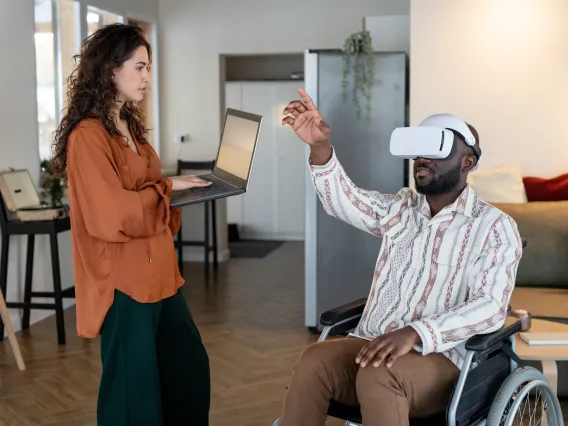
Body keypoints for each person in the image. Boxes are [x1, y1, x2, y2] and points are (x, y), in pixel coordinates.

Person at [278, 89, 523, 426]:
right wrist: (319, 147)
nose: (423, 158)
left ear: (468, 162)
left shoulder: (494, 227)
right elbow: (343, 201)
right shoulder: (400, 209)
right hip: (372, 345)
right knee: (313, 360)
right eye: (419, 149)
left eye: (437, 149)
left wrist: (415, 333)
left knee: (379, 374)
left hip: (445, 360)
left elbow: (491, 307)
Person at [51, 23, 211, 426]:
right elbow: (111, 214)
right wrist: (168, 188)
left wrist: (174, 191)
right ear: (109, 70)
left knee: (187, 369)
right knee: (131, 390)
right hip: (123, 281)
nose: (146, 77)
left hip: (161, 273)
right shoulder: (88, 137)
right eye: (139, 67)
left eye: (148, 67)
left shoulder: (129, 126)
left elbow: (148, 189)